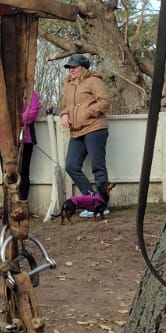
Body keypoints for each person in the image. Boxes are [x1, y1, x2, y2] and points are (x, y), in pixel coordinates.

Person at [60, 53, 111, 213]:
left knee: (98, 167)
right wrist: (64, 114)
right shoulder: (68, 85)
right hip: (76, 132)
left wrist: (88, 112)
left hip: (95, 127)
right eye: (69, 67)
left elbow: (105, 101)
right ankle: (91, 199)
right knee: (71, 165)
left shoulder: (94, 81)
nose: (71, 70)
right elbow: (66, 105)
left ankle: (102, 205)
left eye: (74, 67)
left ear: (83, 68)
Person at [0, 85, 42, 201]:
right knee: (7, 173)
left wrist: (16, 119)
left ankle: (22, 203)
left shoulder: (29, 91)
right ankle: (8, 206)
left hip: (25, 139)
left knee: (23, 172)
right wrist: (8, 121)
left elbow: (33, 110)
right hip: (3, 139)